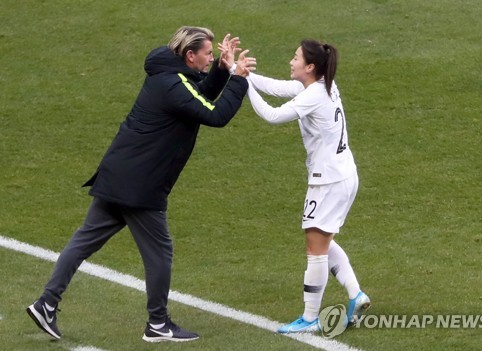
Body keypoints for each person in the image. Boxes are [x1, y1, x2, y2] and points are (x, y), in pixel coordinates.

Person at [26, 26, 256, 343]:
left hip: (119, 174)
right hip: (140, 184)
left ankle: (46, 303)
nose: (211, 55)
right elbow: (213, 114)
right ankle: (158, 324)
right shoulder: (174, 84)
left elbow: (199, 95)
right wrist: (239, 79)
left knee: (84, 241)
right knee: (160, 253)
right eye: (208, 53)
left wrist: (221, 68)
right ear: (190, 55)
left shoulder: (171, 74)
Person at [246, 39, 370, 333]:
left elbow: (272, 115)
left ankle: (310, 317)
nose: (291, 61)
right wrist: (239, 72)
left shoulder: (314, 94)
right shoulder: (323, 83)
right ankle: (356, 294)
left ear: (310, 67)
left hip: (327, 180)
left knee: (315, 247)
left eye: (296, 57)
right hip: (344, 174)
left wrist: (242, 84)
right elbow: (277, 88)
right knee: (323, 239)